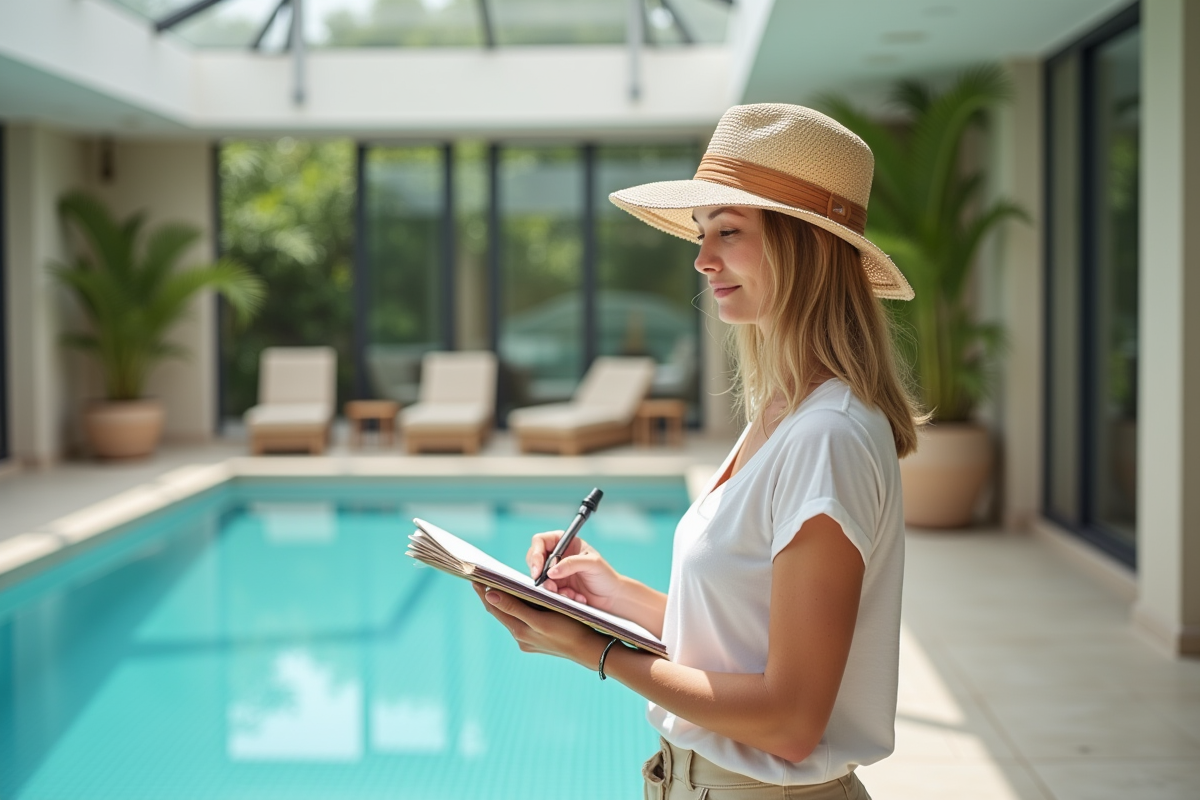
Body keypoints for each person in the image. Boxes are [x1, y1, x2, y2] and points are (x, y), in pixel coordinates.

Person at [474, 103, 922, 800]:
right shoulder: (781, 412)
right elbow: (746, 637)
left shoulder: (827, 436)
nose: (702, 258)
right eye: (702, 232)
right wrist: (615, 599)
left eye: (729, 232)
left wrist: (594, 650)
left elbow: (790, 720)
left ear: (805, 246)